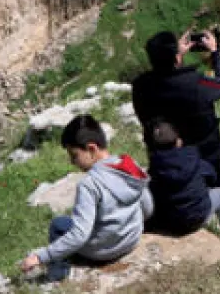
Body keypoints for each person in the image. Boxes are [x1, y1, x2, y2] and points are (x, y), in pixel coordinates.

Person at [19, 116, 152, 282]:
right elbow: (147, 207)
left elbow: (80, 234)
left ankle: (56, 274)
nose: (72, 162)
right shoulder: (130, 166)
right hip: (131, 239)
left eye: (74, 155)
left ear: (91, 149)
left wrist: (41, 257)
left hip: (103, 251)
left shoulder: (89, 185)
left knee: (59, 225)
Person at [132, 28, 220, 189]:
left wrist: (176, 56)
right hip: (205, 158)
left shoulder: (141, 86)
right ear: (175, 56)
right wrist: (215, 52)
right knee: (215, 194)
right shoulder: (194, 83)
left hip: (164, 161)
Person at [144, 119, 220, 238]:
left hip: (169, 222)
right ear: (179, 141)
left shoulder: (156, 168)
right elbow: (212, 175)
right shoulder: (192, 159)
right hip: (197, 217)